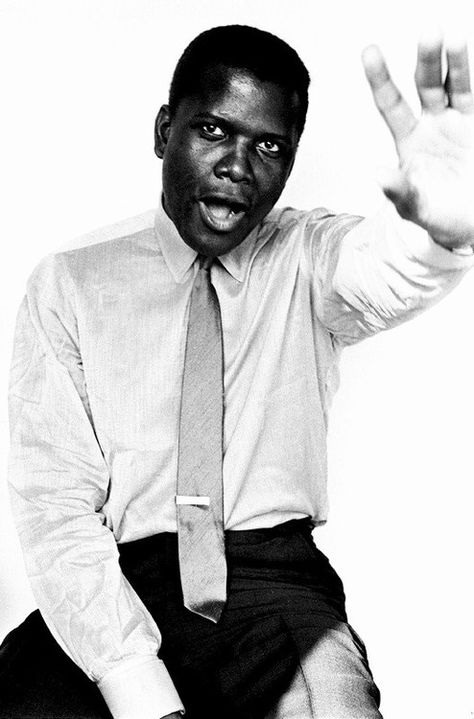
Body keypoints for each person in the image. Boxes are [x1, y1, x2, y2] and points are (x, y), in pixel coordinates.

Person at [1, 23, 473, 719]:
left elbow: (386, 271)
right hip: (117, 584)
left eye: (269, 146)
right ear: (165, 130)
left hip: (273, 586)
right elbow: (57, 509)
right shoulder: (69, 285)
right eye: (215, 132)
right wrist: (138, 687)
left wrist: (442, 235)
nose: (238, 166)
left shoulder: (308, 257)